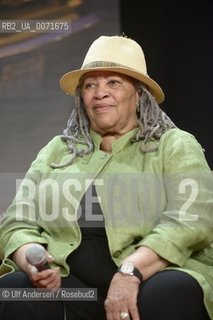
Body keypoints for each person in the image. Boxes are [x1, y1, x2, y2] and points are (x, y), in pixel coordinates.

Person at [0, 35, 213, 320]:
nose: (100, 93)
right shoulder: (58, 150)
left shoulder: (173, 144)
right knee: (16, 290)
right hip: (74, 288)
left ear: (138, 94)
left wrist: (130, 272)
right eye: (90, 85)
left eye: (113, 83)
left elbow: (192, 219)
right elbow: (17, 220)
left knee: (169, 290)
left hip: (151, 277)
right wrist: (33, 260)